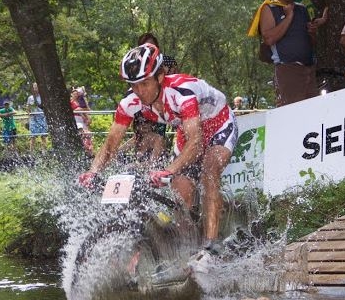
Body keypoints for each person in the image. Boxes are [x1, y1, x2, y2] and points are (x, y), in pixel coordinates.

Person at [79, 43, 238, 253]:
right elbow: (110, 145)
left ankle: (211, 246)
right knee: (181, 191)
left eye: (144, 83)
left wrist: (169, 170)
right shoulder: (130, 102)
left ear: (160, 77)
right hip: (187, 130)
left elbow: (196, 142)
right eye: (133, 85)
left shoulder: (182, 93)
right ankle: (185, 250)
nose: (139, 91)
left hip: (218, 125)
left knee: (209, 171)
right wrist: (93, 172)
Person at [256, 0, 319, 107]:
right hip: (287, 69)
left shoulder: (302, 8)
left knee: (314, 110)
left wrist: (312, 33)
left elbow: (312, 43)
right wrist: (289, 16)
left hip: (309, 69)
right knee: (293, 111)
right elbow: (269, 39)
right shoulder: (269, 8)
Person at [70, 88, 93, 157]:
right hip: (76, 119)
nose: (75, 95)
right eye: (74, 93)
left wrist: (87, 117)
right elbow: (76, 110)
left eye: (77, 94)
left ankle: (89, 152)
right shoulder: (71, 102)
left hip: (81, 119)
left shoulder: (80, 102)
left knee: (88, 135)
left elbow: (87, 109)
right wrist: (80, 110)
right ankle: (85, 150)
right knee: (83, 133)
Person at [26, 82, 48, 152]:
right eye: (34, 87)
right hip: (33, 119)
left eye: (37, 87)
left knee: (43, 136)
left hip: (42, 118)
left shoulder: (43, 96)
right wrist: (29, 114)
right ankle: (31, 152)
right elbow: (28, 108)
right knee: (32, 136)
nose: (35, 89)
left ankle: (44, 152)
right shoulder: (30, 98)